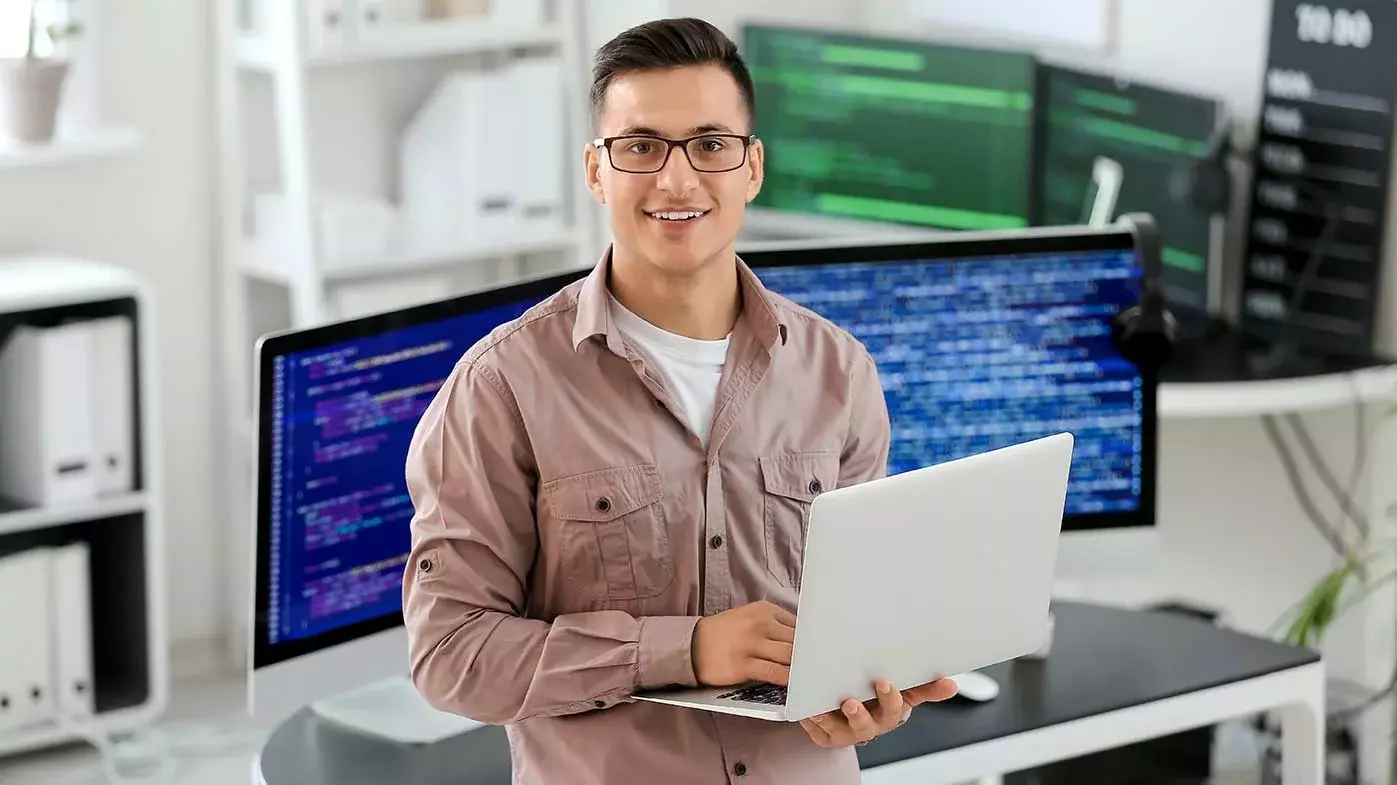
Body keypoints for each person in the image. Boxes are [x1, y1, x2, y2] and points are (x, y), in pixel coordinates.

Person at [401, 16, 957, 785]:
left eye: (710, 144)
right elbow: (450, 654)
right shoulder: (502, 386)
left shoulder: (838, 371)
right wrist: (685, 648)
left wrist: (870, 691)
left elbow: (858, 620)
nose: (676, 179)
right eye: (639, 147)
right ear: (596, 172)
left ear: (751, 166)